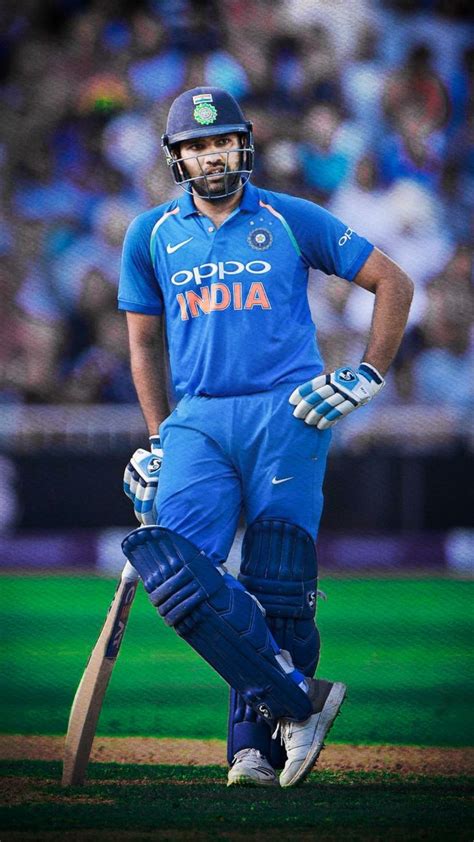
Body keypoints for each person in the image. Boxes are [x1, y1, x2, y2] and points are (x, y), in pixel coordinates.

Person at [118, 87, 413, 788]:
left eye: (220, 140)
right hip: (197, 419)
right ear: (176, 158)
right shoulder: (151, 234)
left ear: (241, 144)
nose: (209, 153)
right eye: (195, 144)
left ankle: (251, 750)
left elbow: (392, 282)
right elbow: (143, 345)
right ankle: (299, 703)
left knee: (279, 583)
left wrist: (368, 372)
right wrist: (159, 439)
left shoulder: (287, 216)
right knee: (174, 570)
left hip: (290, 413)